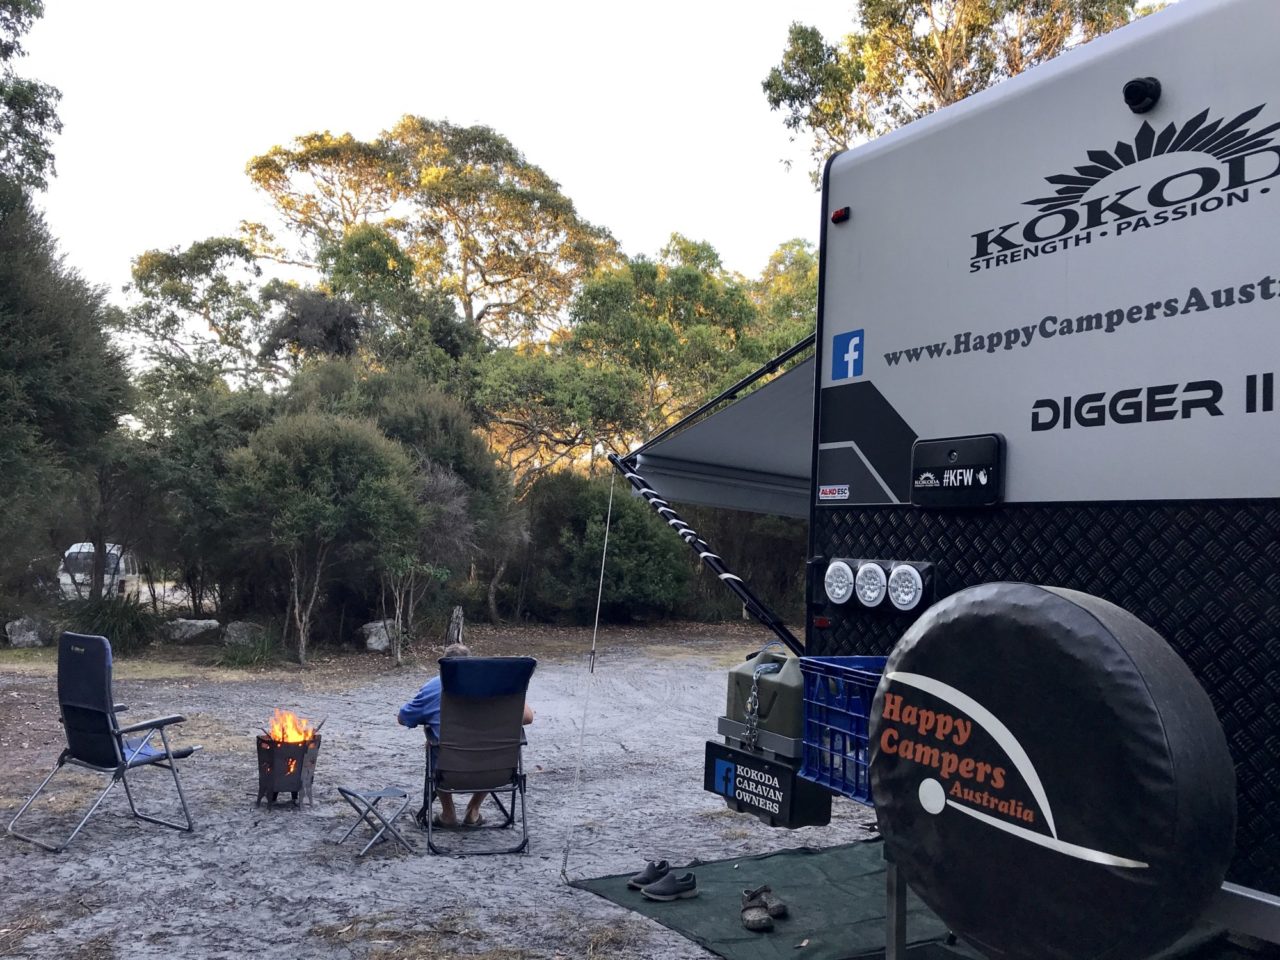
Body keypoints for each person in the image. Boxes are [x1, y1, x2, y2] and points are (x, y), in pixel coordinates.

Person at [398, 643, 534, 827]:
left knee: (432, 737)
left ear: (443, 667)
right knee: (492, 743)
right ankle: (473, 810)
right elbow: (528, 717)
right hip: (496, 770)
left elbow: (403, 718)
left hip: (451, 771)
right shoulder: (496, 684)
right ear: (471, 663)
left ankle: (448, 814)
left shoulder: (434, 686)